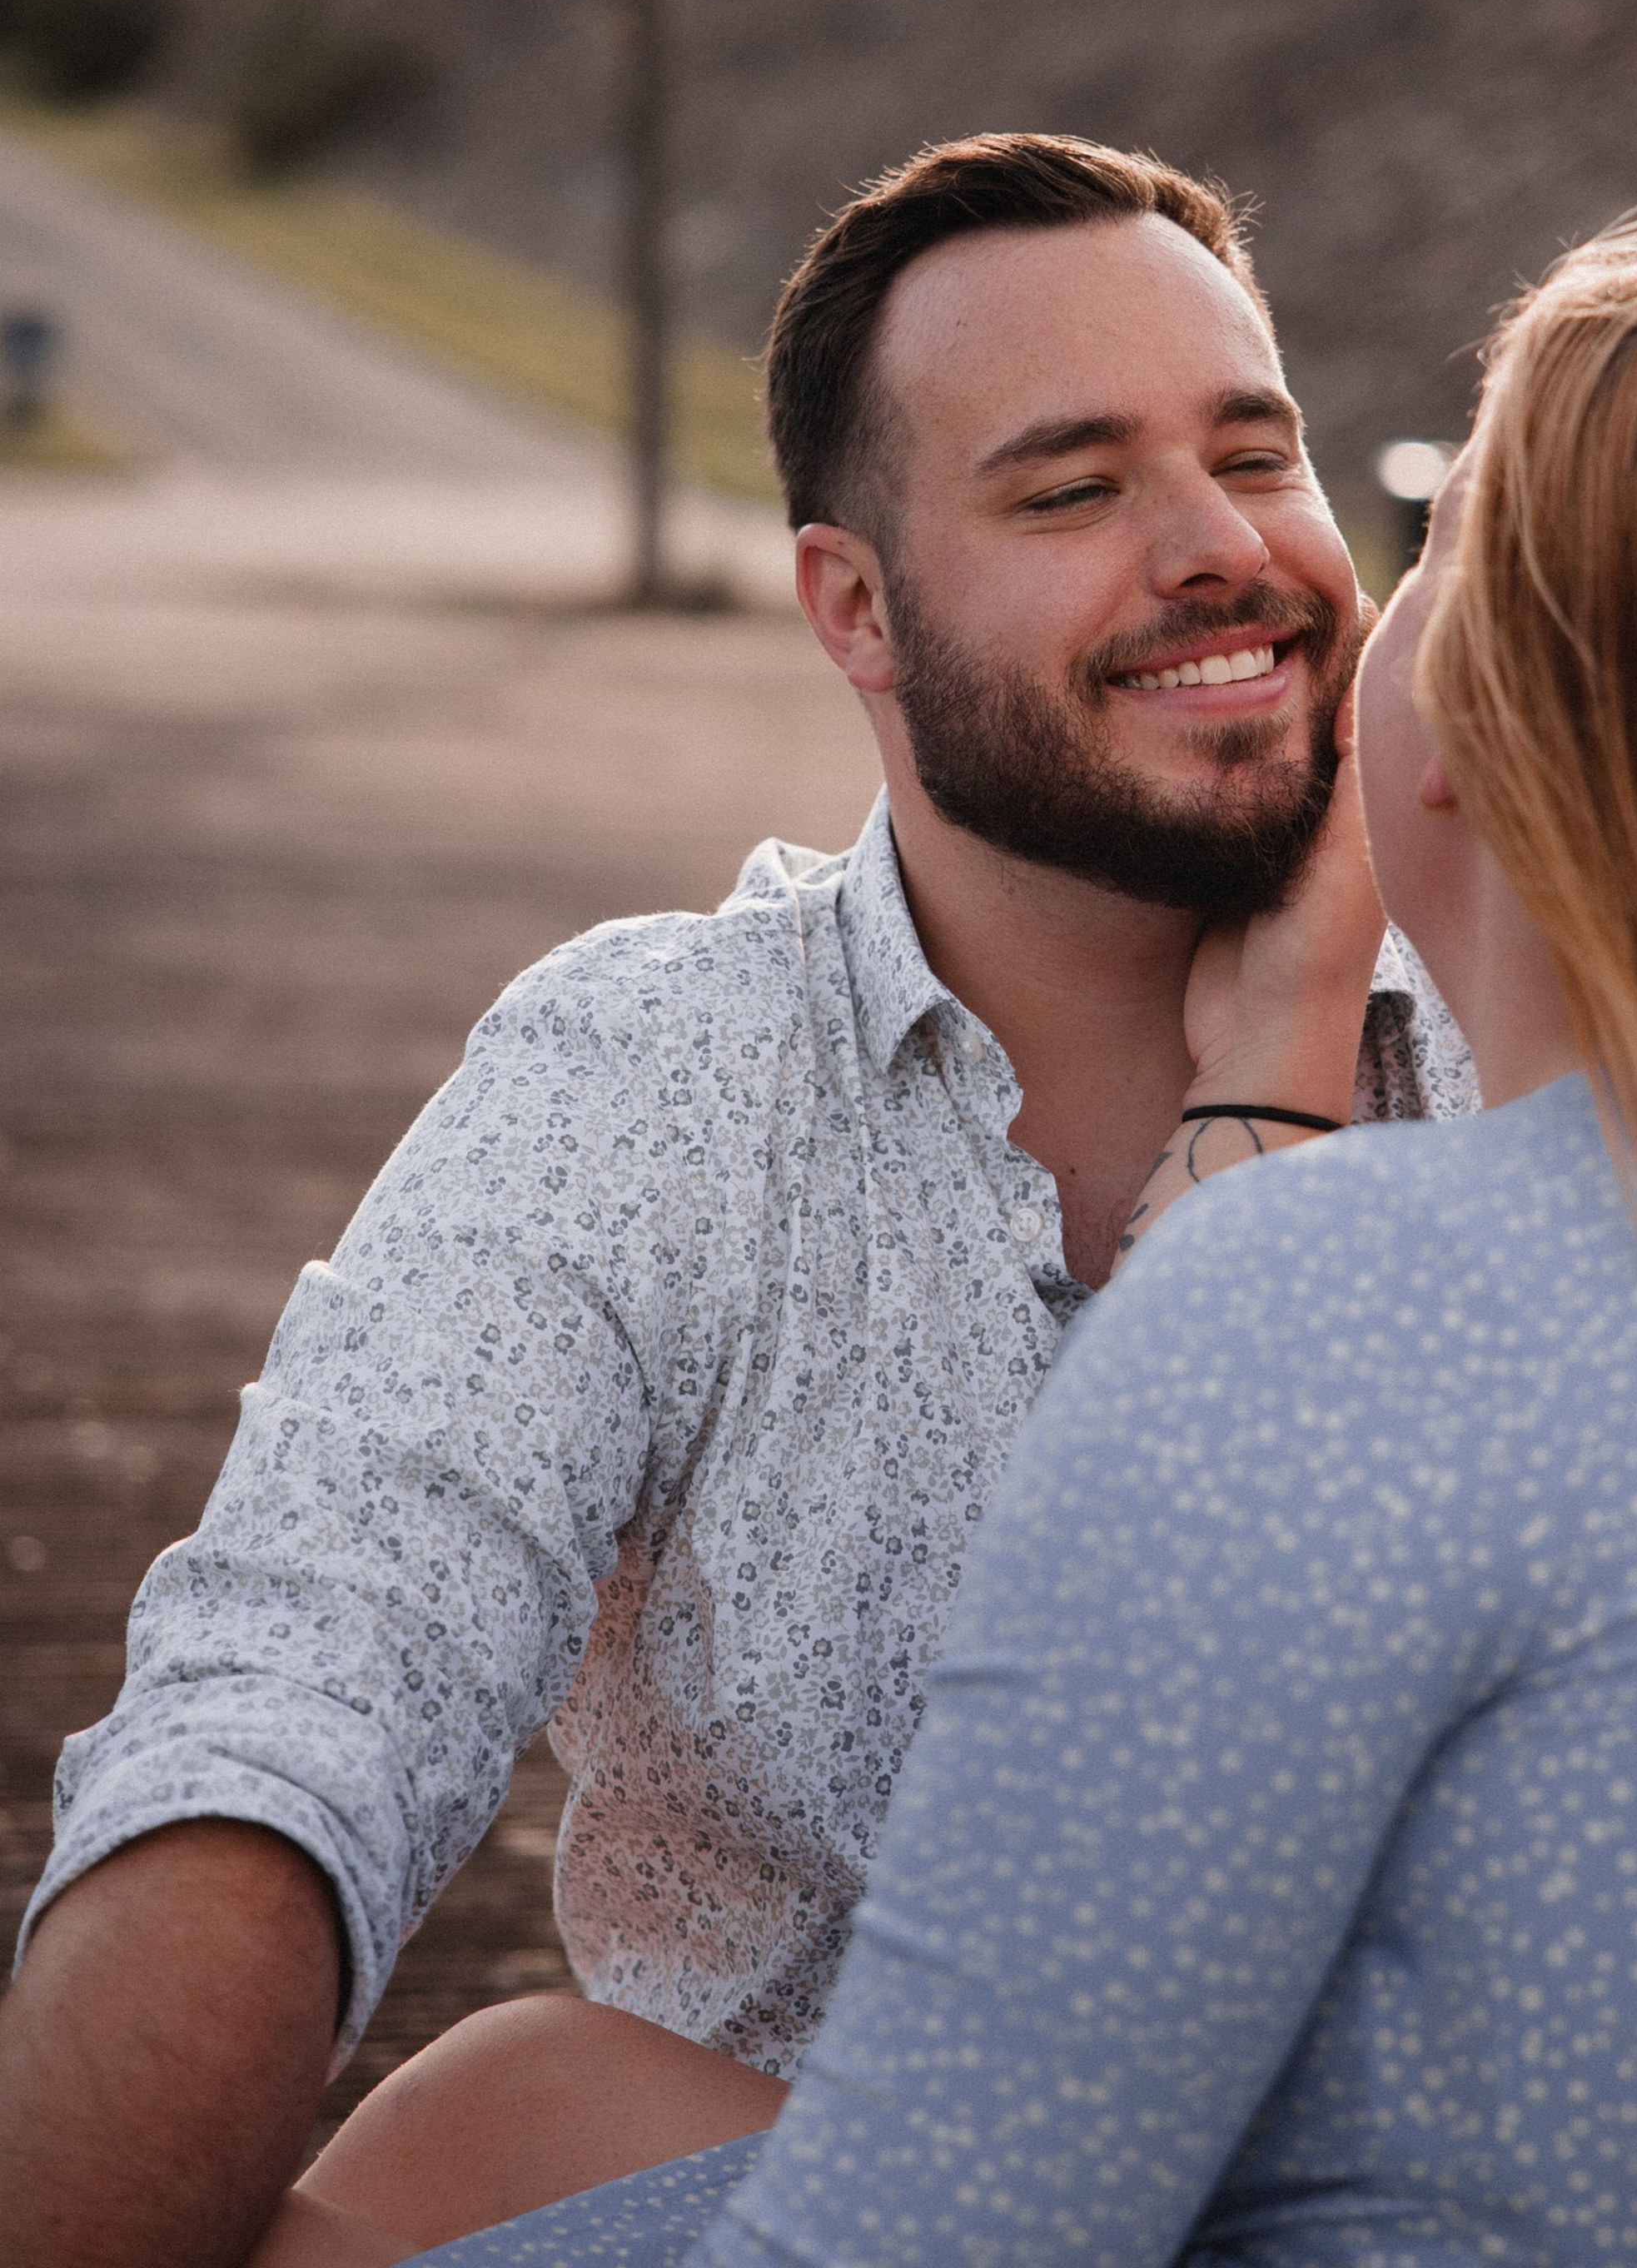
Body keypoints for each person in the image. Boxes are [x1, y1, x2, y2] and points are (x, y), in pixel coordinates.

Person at [383, 213, 1637, 2262]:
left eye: (1445, 545)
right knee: (514, 2106)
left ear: (1476, 718)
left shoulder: (1357, 1310)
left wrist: (1260, 1115)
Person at [0, 132, 1474, 2268]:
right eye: (1071, 489)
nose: (1221, 550)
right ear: (852, 608)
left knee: (503, 2113)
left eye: (1256, 454)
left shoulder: (1554, 1034)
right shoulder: (656, 1081)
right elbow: (308, 1679)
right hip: (789, 2206)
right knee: (498, 2111)